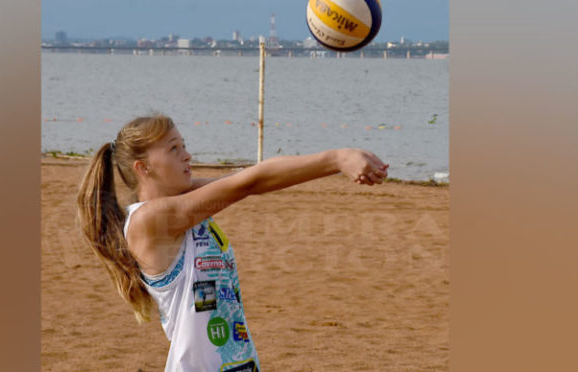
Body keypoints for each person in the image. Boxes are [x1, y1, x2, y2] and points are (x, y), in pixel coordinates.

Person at [76, 113, 388, 372]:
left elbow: (253, 179)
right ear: (143, 168)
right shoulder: (151, 221)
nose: (187, 154)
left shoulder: (182, 202)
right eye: (173, 149)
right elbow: (248, 183)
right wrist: (337, 158)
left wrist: (336, 165)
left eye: (183, 145)